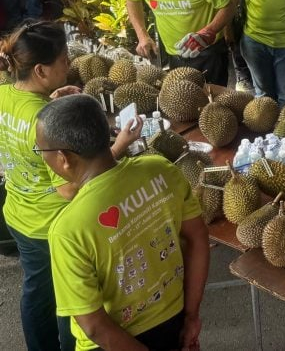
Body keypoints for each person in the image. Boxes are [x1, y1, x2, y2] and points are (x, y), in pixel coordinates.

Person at [0, 22, 140, 351]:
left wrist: (50, 100)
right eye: (63, 60)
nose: (69, 65)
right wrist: (118, 146)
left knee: (37, 291)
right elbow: (70, 188)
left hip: (19, 211)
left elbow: (23, 123)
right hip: (50, 224)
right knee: (69, 303)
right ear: (40, 70)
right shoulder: (43, 121)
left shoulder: (5, 94)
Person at [40, 94, 209, 351]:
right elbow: (197, 237)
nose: (42, 157)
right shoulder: (161, 170)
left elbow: (94, 325)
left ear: (63, 158)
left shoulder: (67, 230)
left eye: (41, 151)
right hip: (173, 319)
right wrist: (192, 315)